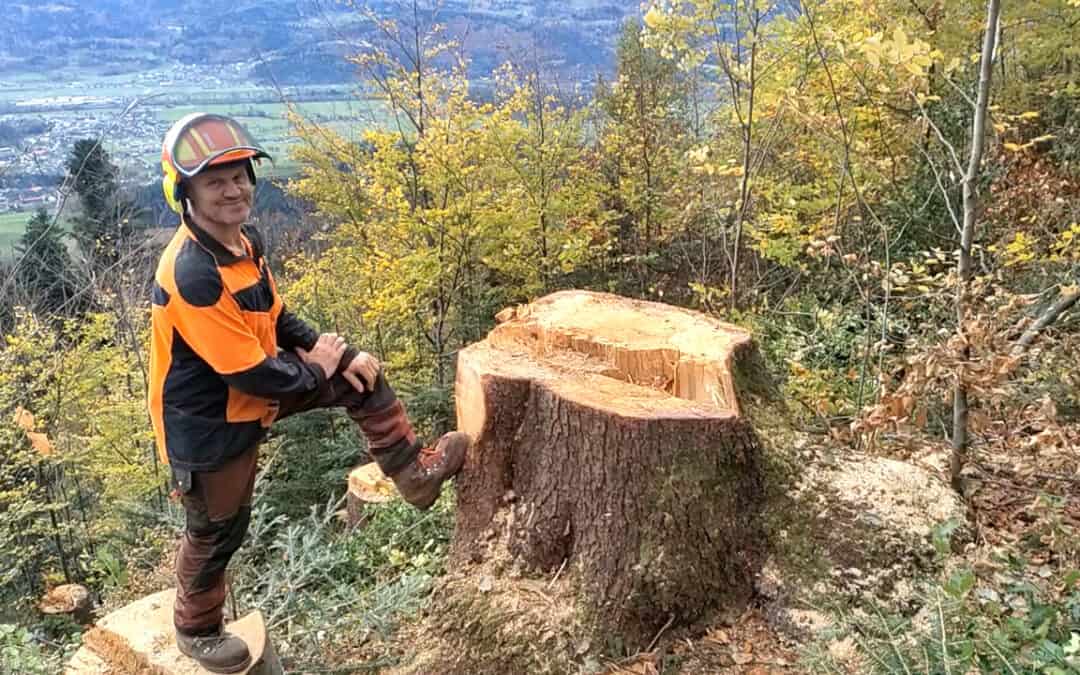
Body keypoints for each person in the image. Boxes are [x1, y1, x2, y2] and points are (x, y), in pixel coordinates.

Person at [148, 112, 468, 673]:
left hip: (262, 383)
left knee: (361, 375)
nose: (234, 189)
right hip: (209, 423)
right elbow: (248, 373)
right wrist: (318, 369)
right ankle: (195, 629)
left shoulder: (245, 244)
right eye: (215, 180)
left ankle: (414, 475)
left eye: (240, 174)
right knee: (219, 528)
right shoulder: (192, 272)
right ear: (186, 192)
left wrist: (335, 354)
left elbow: (276, 317)